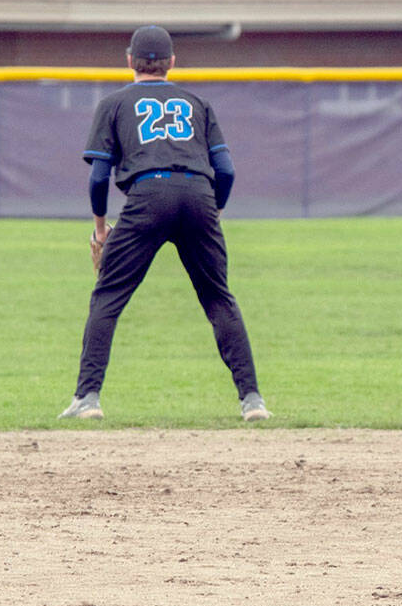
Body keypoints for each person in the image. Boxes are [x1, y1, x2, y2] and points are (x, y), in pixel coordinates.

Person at [59, 25, 270, 423]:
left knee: (108, 297)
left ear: (129, 61)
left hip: (148, 195)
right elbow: (226, 170)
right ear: (172, 62)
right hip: (199, 195)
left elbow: (99, 177)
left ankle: (87, 398)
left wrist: (101, 228)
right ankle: (252, 400)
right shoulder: (198, 103)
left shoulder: (114, 103)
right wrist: (214, 212)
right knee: (218, 299)